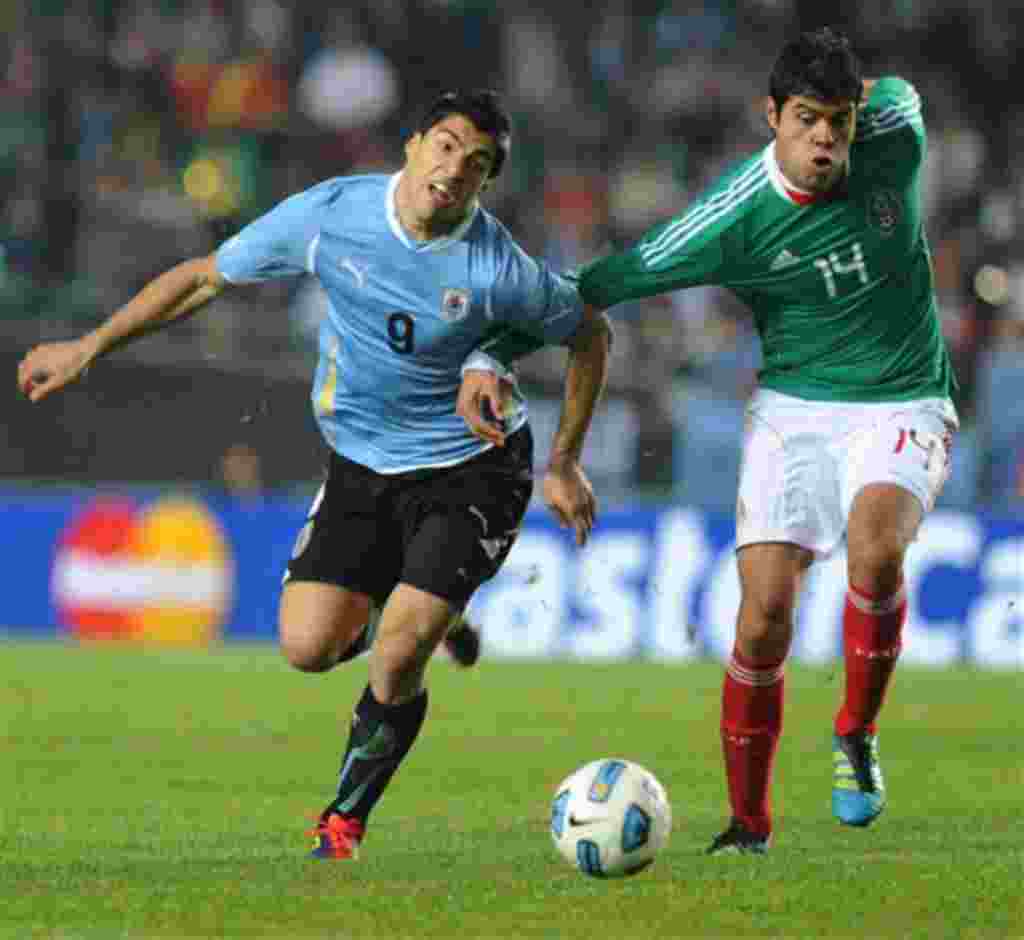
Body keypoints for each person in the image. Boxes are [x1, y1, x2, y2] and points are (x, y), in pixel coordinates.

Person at [17, 89, 611, 860]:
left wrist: (564, 460)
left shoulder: (499, 268)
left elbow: (589, 335)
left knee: (397, 655)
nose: (456, 168)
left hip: (472, 471)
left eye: (479, 162)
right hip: (362, 463)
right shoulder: (333, 214)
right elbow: (204, 277)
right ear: (412, 143)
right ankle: (432, 615)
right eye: (447, 144)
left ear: (489, 181)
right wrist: (87, 348)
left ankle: (342, 821)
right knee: (306, 647)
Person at [457, 29, 957, 854]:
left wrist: (861, 88)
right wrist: (495, 351)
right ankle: (747, 827)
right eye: (807, 119)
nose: (827, 138)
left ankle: (855, 734)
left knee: (875, 550)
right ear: (773, 118)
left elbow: (900, 91)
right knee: (762, 617)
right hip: (795, 408)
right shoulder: (735, 217)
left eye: (839, 119)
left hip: (905, 396)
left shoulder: (894, 130)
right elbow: (602, 285)